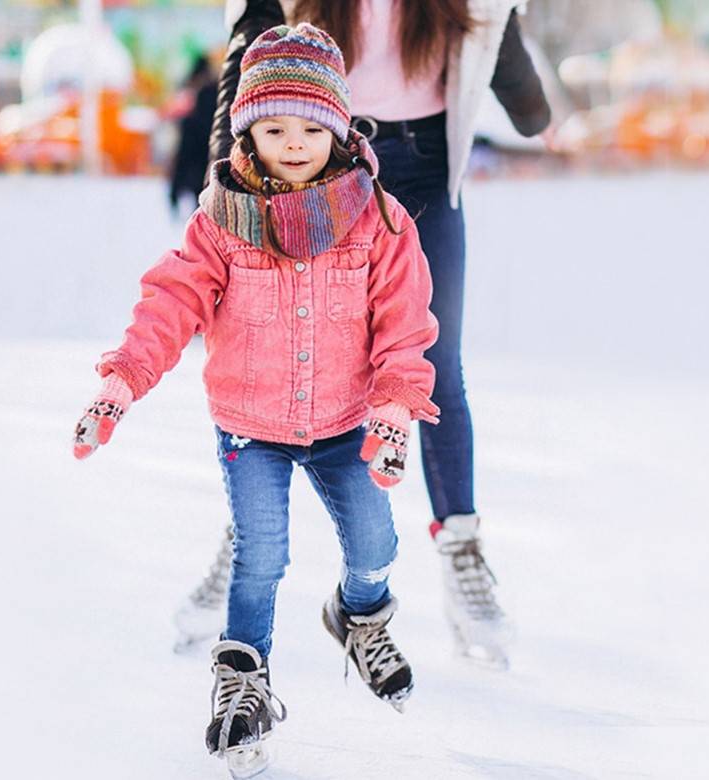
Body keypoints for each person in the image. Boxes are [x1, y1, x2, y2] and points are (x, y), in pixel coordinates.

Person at [73, 24, 440, 776]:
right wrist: (122, 381)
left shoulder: (378, 221)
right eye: (274, 127)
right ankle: (243, 682)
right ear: (247, 131)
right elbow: (170, 304)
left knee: (377, 545)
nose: (295, 142)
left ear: (338, 129)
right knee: (261, 555)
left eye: (311, 127)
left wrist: (397, 402)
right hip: (252, 427)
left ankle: (360, 616)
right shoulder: (221, 223)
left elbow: (404, 320)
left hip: (347, 422)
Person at [174, 0, 553, 670]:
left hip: (425, 161)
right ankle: (245, 536)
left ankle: (461, 551)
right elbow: (249, 45)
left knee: (430, 362)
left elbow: (504, 47)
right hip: (311, 161)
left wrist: (530, 104)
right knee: (278, 353)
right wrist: (221, 180)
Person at [166, 54, 219, 218]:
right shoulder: (215, 89)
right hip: (209, 151)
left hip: (194, 154)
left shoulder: (190, 95)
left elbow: (183, 155)